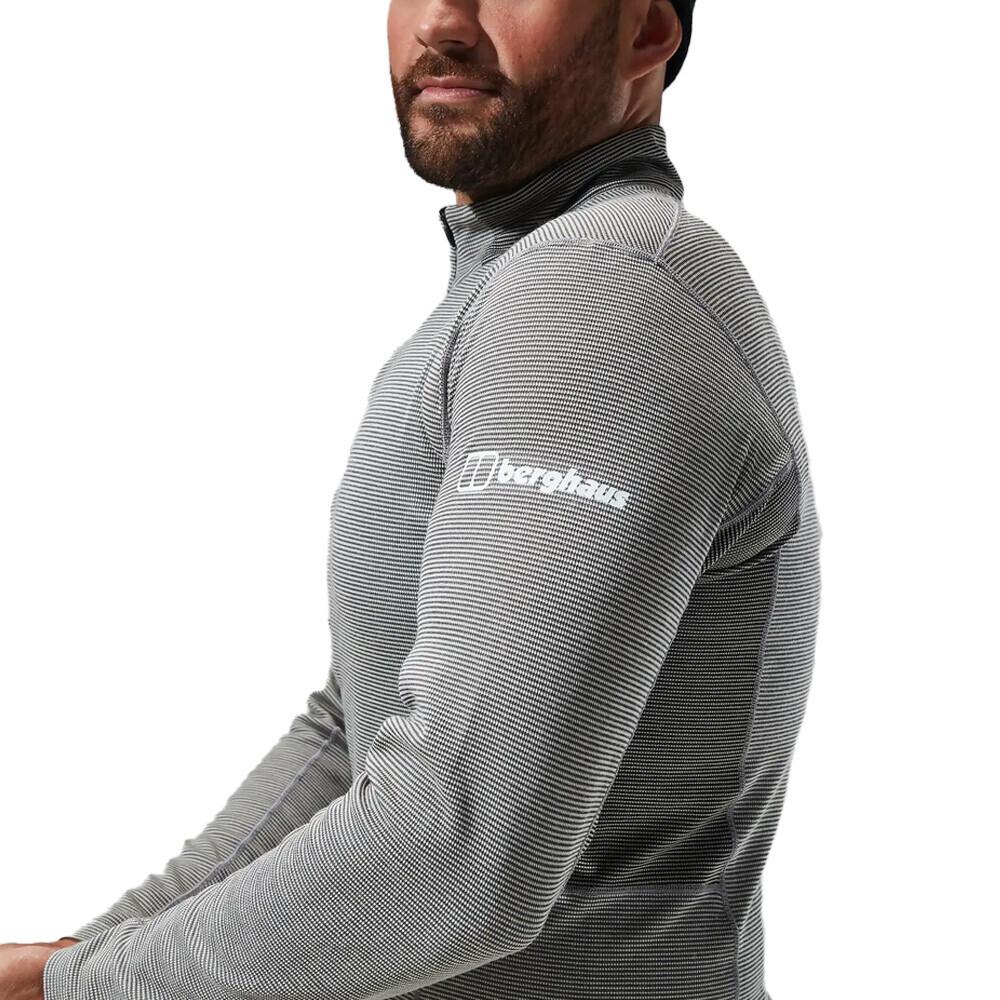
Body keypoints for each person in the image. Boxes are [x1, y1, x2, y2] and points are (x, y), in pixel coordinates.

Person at [7, 1, 822, 998]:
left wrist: (84, 986)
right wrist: (76, 961)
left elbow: (455, 848)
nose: (443, 22)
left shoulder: (604, 288)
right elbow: (349, 734)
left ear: (647, 32)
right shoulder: (510, 291)